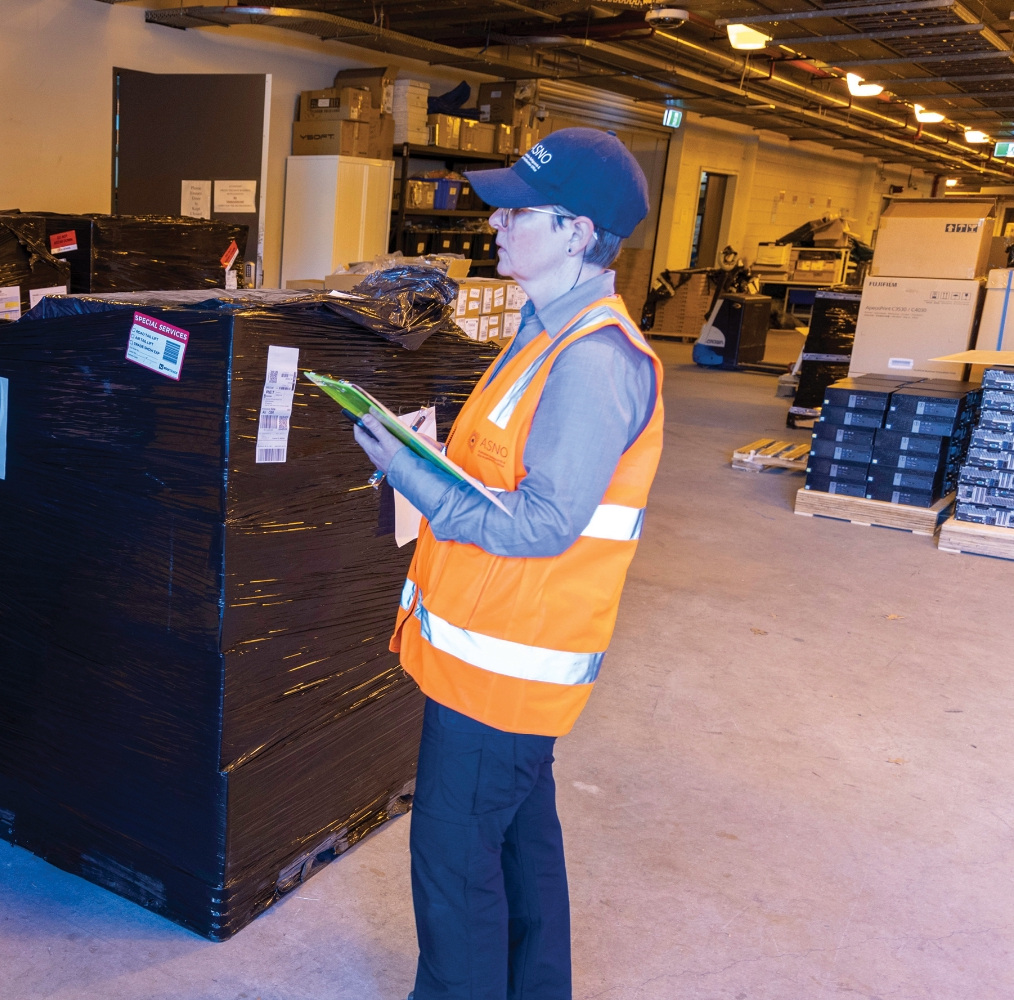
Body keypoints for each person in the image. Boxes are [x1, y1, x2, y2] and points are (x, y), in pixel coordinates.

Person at [351, 128, 662, 999]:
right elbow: (499, 471)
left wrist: (406, 470)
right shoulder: (541, 333)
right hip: (491, 649)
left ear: (574, 231)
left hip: (506, 664)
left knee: (453, 861)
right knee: (519, 843)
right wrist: (418, 450)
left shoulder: (594, 360)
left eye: (516, 211)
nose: (493, 224)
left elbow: (542, 523)